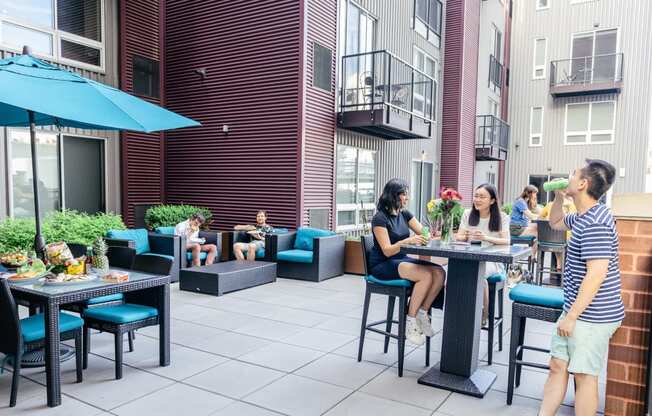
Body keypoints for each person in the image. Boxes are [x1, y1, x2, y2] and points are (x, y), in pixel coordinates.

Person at [540, 159, 623, 416]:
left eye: (573, 173)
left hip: (592, 315)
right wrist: (556, 197)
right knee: (557, 365)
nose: (569, 176)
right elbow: (555, 222)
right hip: (575, 310)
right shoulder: (583, 216)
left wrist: (572, 316)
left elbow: (596, 274)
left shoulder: (596, 222)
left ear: (583, 183)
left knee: (584, 376)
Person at [370, 178, 446, 346]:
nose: (407, 197)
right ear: (393, 196)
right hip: (383, 264)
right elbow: (387, 250)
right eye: (403, 194)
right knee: (425, 275)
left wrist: (432, 232)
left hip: (401, 260)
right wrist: (407, 242)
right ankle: (410, 322)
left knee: (440, 272)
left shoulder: (405, 214)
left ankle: (422, 313)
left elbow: (424, 233)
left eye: (407, 194)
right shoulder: (380, 218)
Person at [456, 184, 510, 327]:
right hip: (470, 256)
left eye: (482, 197)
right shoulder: (468, 214)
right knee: (454, 271)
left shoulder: (502, 217)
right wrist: (464, 236)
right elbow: (459, 236)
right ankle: (459, 312)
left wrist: (486, 238)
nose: (477, 200)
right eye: (476, 196)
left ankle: (483, 314)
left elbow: (507, 241)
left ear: (492, 201)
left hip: (493, 260)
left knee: (479, 274)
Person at [540, 195, 577, 271]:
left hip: (547, 240)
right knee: (563, 240)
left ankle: (558, 264)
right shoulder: (573, 205)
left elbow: (539, 218)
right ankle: (562, 267)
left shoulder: (550, 204)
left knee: (556, 239)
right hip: (564, 240)